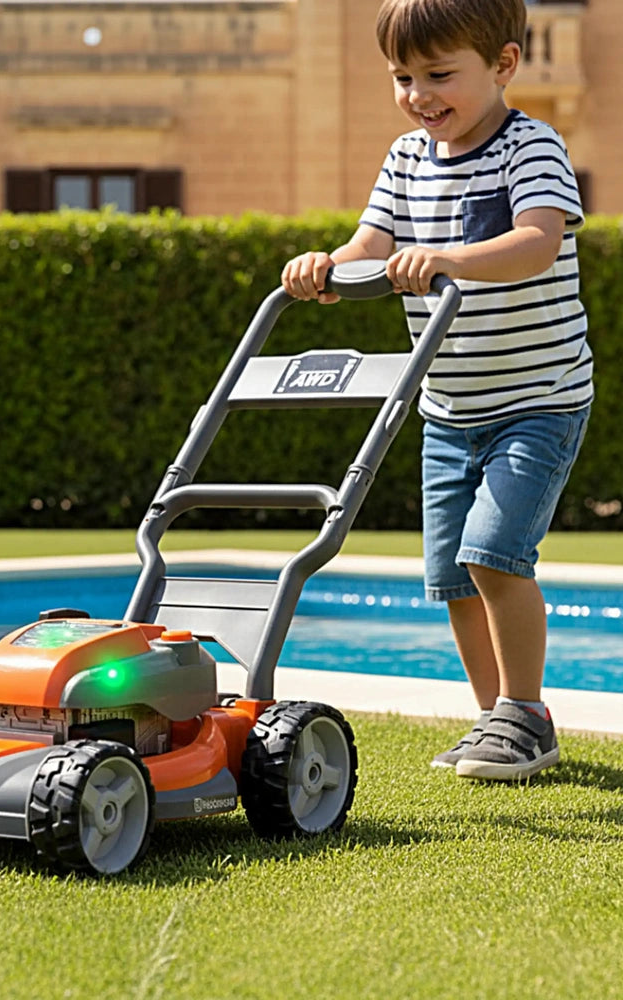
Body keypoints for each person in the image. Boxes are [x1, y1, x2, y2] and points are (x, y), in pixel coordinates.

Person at [281, 0, 592, 781]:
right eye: (403, 77)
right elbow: (372, 243)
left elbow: (538, 242)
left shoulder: (531, 145)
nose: (419, 94)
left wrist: (450, 257)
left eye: (439, 74)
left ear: (504, 64)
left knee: (495, 554)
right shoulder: (405, 158)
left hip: (538, 398)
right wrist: (328, 268)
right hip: (448, 407)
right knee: (454, 573)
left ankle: (525, 717)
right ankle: (495, 721)